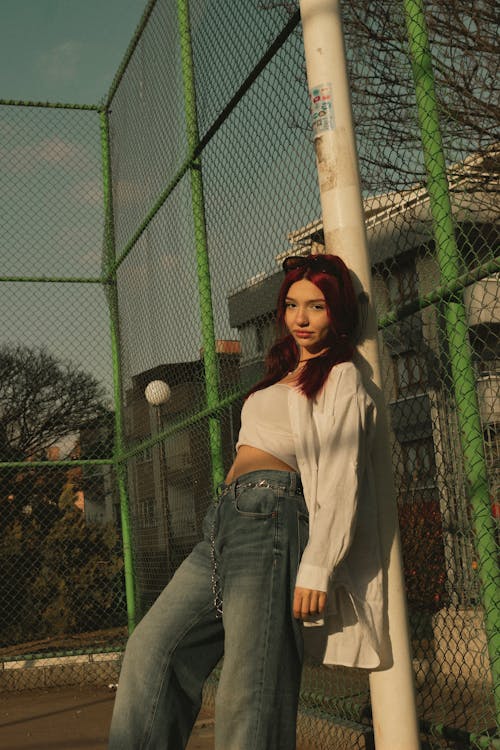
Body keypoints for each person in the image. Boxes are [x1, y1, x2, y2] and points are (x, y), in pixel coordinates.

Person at [108, 253, 384, 750]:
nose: (299, 318)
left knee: (248, 687)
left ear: (337, 313)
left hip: (272, 517)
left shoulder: (339, 376)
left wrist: (319, 564)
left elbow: (344, 471)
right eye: (293, 305)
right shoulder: (281, 373)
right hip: (224, 522)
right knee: (151, 650)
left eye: (316, 307)